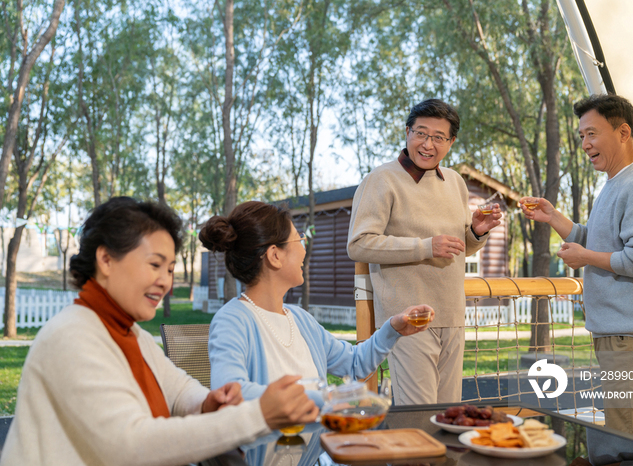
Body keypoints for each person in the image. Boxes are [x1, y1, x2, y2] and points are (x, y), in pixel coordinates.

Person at [0, 197, 318, 466]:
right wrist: (257, 415)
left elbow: (178, 390)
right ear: (106, 259)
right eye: (155, 265)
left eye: (169, 269)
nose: (165, 281)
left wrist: (209, 402)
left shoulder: (130, 334)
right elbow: (130, 444)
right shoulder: (72, 335)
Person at [520, 94, 633, 442]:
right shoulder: (617, 182)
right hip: (624, 340)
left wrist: (585, 258)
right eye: (581, 136)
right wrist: (554, 218)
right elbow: (599, 242)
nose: (584, 144)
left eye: (591, 133)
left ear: (623, 132)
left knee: (630, 447)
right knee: (625, 440)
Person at [346, 99, 502, 405]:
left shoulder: (455, 182)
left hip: (453, 314)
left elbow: (455, 249)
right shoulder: (381, 179)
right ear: (407, 132)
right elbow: (359, 243)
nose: (428, 144)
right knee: (419, 417)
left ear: (451, 142)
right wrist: (425, 246)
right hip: (407, 318)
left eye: (438, 137)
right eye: (421, 133)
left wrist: (476, 232)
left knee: (447, 415)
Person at [204, 201, 434, 407]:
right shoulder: (232, 321)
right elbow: (231, 394)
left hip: (317, 454)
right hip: (268, 455)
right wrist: (324, 399)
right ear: (275, 255)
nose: (304, 247)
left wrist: (393, 329)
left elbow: (354, 363)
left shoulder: (299, 319)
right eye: (299, 238)